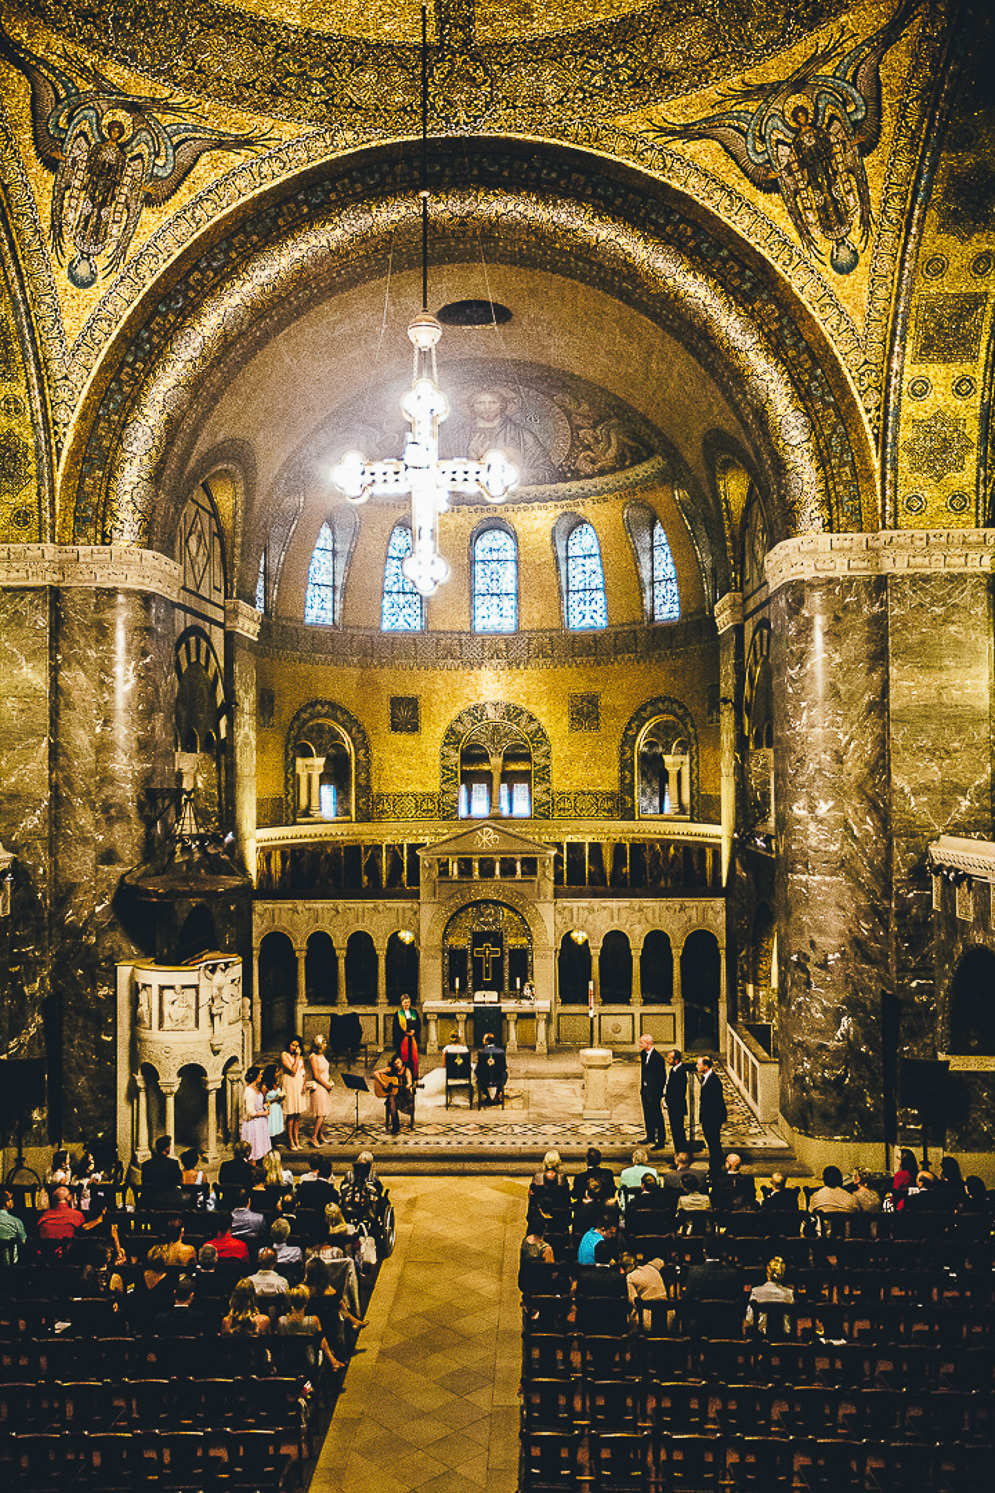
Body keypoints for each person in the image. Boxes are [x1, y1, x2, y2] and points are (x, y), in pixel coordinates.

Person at [276, 1284, 345, 1371]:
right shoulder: (313, 1321)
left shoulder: (281, 1321)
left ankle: (333, 1361)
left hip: (287, 1360)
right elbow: (321, 1341)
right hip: (309, 1361)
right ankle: (333, 1361)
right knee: (321, 1339)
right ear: (306, 1302)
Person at [744, 1256, 794, 1336]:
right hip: (783, 1338)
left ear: (767, 1272)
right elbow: (790, 1321)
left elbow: (749, 1320)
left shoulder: (756, 1291)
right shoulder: (789, 1293)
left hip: (760, 1338)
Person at [696, 1056, 727, 1174]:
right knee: (712, 1142)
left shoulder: (713, 1081)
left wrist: (709, 1120)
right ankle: (715, 1164)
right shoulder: (706, 1078)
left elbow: (715, 1103)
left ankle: (715, 1167)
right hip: (708, 1117)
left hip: (712, 1118)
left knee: (714, 1142)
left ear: (706, 1066)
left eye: (699, 1064)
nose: (697, 1067)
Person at [373, 1054, 414, 1135]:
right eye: (395, 1064)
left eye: (399, 1063)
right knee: (392, 1100)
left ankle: (395, 1126)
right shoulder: (391, 1069)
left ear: (402, 1062)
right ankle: (396, 1125)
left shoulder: (407, 1070)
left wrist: (408, 1085)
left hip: (403, 1094)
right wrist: (383, 1083)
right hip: (394, 1092)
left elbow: (410, 1082)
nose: (397, 1065)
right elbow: (376, 1073)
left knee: (392, 1101)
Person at [638, 1034, 666, 1148]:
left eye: (641, 1043)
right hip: (645, 1090)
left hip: (654, 1092)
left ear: (648, 1044)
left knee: (657, 1115)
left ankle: (661, 1140)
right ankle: (650, 1136)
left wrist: (658, 1093)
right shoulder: (643, 1054)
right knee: (647, 1114)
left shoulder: (658, 1058)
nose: (640, 1045)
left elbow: (662, 1077)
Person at [140, 1135, 182, 1205]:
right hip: (169, 1201)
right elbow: (177, 1181)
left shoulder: (146, 1164)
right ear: (167, 1148)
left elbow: (144, 1181)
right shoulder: (173, 1163)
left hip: (150, 1200)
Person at [281, 1037, 306, 1151]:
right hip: (290, 1084)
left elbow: (302, 1071)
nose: (295, 1048)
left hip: (298, 1084)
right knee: (291, 1114)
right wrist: (296, 1056)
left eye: (297, 1045)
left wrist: (304, 1084)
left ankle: (297, 1140)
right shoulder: (284, 1055)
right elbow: (293, 1070)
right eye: (292, 1045)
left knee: (298, 1115)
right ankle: (290, 1141)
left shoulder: (300, 1057)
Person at [519, 1212, 555, 1291]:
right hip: (541, 1283)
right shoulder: (546, 1249)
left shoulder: (525, 1241)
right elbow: (550, 1272)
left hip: (525, 1280)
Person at [308, 1036, 334, 1146]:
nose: (326, 1045)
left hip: (325, 1085)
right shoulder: (313, 1057)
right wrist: (326, 1085)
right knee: (321, 1113)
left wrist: (330, 1082)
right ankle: (314, 1137)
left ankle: (320, 1135)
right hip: (319, 1087)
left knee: (324, 1112)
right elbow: (316, 1075)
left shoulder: (321, 1056)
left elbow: (325, 1072)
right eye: (324, 1043)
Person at [241, 1065, 270, 1161]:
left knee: (261, 1147)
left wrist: (264, 1106)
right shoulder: (250, 1092)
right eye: (260, 1075)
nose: (261, 1077)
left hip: (259, 1123)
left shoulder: (256, 1089)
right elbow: (251, 1112)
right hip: (253, 1124)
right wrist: (265, 1113)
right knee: (255, 1148)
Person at [664, 1049, 688, 1154]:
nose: (667, 1060)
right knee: (675, 1132)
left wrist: (669, 1102)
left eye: (670, 1058)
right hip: (673, 1106)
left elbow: (678, 1092)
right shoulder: (673, 1070)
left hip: (677, 1107)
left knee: (678, 1132)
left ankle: (681, 1155)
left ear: (676, 1060)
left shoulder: (680, 1072)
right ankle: (677, 1154)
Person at [392, 993, 421, 1078]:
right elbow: (395, 1029)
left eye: (408, 1002)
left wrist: (414, 1031)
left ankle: (414, 1076)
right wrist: (404, 1033)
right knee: (403, 1059)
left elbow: (418, 1024)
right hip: (402, 1040)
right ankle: (403, 1076)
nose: (407, 1004)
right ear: (401, 1003)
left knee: (413, 1058)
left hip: (412, 1039)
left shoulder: (414, 1012)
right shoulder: (398, 1014)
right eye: (405, 1002)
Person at [475, 1032, 507, 1105]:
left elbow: (478, 1069)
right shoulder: (501, 1052)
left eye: (483, 1039)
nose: (482, 1040)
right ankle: (497, 1095)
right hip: (498, 1078)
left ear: (487, 1041)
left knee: (478, 1075)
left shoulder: (481, 1052)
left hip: (484, 1079)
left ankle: (488, 1096)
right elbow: (504, 1067)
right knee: (504, 1074)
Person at [262, 1063, 285, 1144]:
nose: (277, 1074)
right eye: (276, 1072)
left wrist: (282, 1097)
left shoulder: (275, 1083)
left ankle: (274, 1143)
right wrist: (274, 1099)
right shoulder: (264, 1086)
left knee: (276, 1127)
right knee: (270, 1128)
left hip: (277, 1109)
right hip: (270, 1110)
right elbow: (263, 1101)